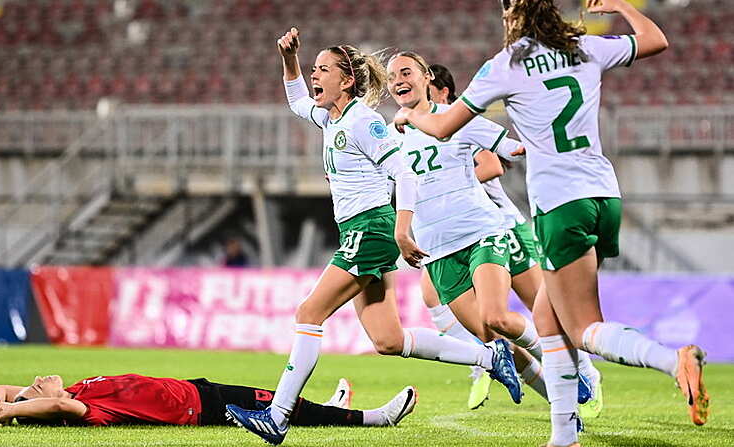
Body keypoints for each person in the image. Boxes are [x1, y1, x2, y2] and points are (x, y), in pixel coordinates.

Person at [393, 0, 708, 445]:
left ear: (511, 16)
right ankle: (564, 435)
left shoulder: (506, 64)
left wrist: (410, 117)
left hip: (560, 204)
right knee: (547, 317)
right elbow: (657, 40)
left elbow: (444, 128)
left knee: (582, 327)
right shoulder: (583, 46)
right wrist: (619, 5)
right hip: (603, 193)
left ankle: (671, 361)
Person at [224, 27, 521, 446]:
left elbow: (403, 170)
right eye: (313, 69)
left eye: (322, 70)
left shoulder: (363, 121)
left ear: (346, 81)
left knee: (309, 313)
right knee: (388, 340)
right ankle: (489, 356)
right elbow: (295, 100)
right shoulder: (330, 115)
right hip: (358, 229)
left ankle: (278, 416)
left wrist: (401, 229)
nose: (313, 76)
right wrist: (289, 58)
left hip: (372, 227)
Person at [423, 62, 604, 418]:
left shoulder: (456, 123)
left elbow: (492, 165)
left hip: (501, 226)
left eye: (425, 87)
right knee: (440, 299)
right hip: (459, 234)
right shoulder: (420, 127)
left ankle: (585, 370)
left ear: (442, 91)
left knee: (542, 304)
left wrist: (451, 185)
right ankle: (486, 359)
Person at [0, 375, 416, 428]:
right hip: (199, 409)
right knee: (282, 406)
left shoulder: (73, 391)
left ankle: (332, 406)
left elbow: (4, 391)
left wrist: (0, 407)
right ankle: (374, 419)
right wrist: (17, 410)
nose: (39, 380)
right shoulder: (80, 409)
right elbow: (52, 407)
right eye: (37, 387)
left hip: (194, 389)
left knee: (280, 397)